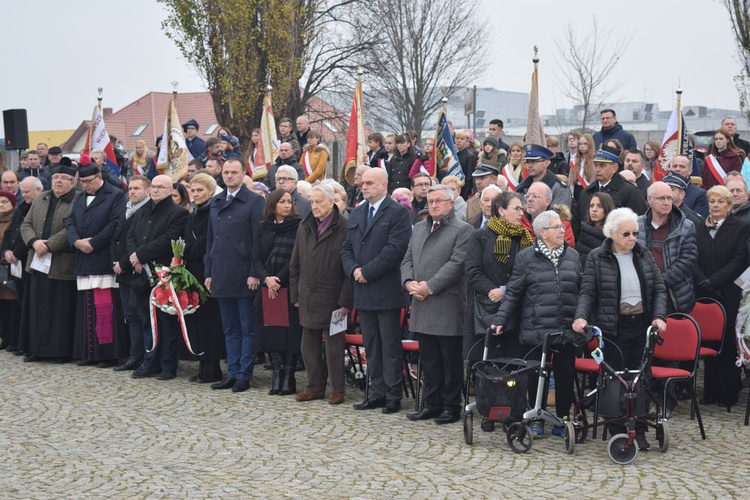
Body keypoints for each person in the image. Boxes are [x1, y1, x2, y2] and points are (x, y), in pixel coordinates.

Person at [573, 208, 667, 451]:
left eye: (635, 233)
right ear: (612, 233)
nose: (632, 238)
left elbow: (659, 289)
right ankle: (617, 429)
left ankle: (642, 428)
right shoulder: (597, 257)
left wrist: (658, 317)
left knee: (641, 378)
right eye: (626, 234)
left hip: (641, 325)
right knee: (615, 380)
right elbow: (588, 291)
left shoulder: (643, 255)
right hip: (613, 328)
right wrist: (581, 317)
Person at [491, 210, 582, 438]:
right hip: (535, 328)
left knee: (565, 375)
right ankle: (536, 418)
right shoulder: (526, 257)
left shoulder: (573, 256)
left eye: (562, 226)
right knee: (534, 375)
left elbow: (582, 291)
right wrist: (501, 319)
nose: (562, 230)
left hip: (565, 327)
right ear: (542, 233)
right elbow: (513, 292)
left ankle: (563, 419)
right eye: (556, 227)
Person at [342, 168, 412, 413]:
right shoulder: (358, 212)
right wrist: (353, 270)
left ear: (384, 185)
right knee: (371, 346)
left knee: (389, 346)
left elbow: (394, 250)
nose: (364, 186)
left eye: (370, 183)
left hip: (387, 290)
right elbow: (347, 248)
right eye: (363, 183)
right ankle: (376, 392)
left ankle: (393, 395)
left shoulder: (398, 213)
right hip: (362, 290)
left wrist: (366, 272)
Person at [401, 185, 473, 424]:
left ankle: (451, 406)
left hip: (447, 303)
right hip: (421, 302)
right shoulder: (419, 228)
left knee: (450, 360)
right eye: (430, 201)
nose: (433, 205)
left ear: (451, 204)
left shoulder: (463, 230)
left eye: (439, 201)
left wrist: (429, 286)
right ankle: (431, 404)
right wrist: (409, 283)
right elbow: (408, 258)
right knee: (429, 359)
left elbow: (457, 264)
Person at [205, 158, 265, 393]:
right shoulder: (216, 201)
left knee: (246, 327)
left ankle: (244, 374)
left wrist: (254, 273)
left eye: (234, 172)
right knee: (229, 328)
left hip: (243, 273)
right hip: (221, 273)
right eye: (226, 172)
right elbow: (212, 240)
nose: (229, 176)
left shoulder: (254, 201)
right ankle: (232, 371)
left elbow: (257, 240)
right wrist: (209, 272)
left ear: (243, 174)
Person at [290, 184, 353, 404]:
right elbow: (295, 264)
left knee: (334, 346)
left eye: (319, 202)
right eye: (312, 202)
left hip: (334, 296)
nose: (314, 206)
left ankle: (338, 389)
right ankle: (314, 387)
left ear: (331, 202)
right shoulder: (304, 226)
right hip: (308, 293)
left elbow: (349, 269)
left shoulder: (345, 227)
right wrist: (295, 295)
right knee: (308, 344)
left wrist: (345, 300)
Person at [693, 186, 749, 411]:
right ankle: (710, 391)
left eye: (720, 202)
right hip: (704, 291)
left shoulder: (740, 228)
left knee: (726, 341)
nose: (715, 205)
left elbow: (739, 260)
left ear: (729, 205)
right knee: (708, 340)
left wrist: (715, 281)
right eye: (712, 201)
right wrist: (703, 281)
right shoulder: (699, 227)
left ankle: (728, 392)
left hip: (728, 290)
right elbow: (692, 257)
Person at [126, 175, 188, 380]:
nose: (155, 190)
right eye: (153, 187)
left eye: (160, 187)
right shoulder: (142, 211)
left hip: (163, 274)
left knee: (166, 323)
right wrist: (134, 257)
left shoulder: (178, 213)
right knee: (146, 321)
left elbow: (168, 240)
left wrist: (140, 255)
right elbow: (131, 236)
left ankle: (168, 366)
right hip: (141, 273)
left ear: (170, 190)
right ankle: (149, 362)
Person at [67, 163, 127, 367]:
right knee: (86, 308)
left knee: (104, 309)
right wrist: (76, 241)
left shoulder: (115, 194)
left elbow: (115, 223)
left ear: (99, 176)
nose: (85, 186)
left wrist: (93, 243)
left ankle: (107, 354)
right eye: (81, 182)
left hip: (102, 257)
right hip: (83, 258)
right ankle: (89, 352)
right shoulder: (80, 197)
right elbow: (70, 222)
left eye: (88, 182)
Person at [20, 164, 79, 362]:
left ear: (73, 182)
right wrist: (34, 242)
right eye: (55, 177)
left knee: (59, 311)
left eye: (63, 178)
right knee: (37, 308)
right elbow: (26, 224)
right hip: (37, 261)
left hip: (61, 263)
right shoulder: (41, 198)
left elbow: (73, 226)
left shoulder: (78, 200)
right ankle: (37, 350)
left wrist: (49, 245)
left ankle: (58, 352)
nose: (58, 181)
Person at [465, 192, 532, 368]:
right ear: (501, 210)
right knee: (488, 366)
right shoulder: (480, 236)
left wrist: (506, 291)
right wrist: (492, 290)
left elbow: (529, 272)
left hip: (516, 310)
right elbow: (473, 271)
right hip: (486, 308)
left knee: (513, 367)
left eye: (522, 209)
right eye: (517, 208)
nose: (521, 213)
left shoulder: (525, 238)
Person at [253, 189, 302, 396]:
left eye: (289, 202)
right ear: (273, 205)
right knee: (271, 332)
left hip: (288, 286)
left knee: (289, 333)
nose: (287, 205)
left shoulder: (298, 227)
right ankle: (277, 373)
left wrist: (278, 279)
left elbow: (295, 258)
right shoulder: (263, 227)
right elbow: (256, 258)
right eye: (282, 202)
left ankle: (289, 377)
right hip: (268, 288)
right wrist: (267, 279)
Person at [182, 173, 226, 383]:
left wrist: (187, 249)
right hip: (193, 271)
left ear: (210, 191)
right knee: (198, 319)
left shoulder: (212, 212)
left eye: (200, 190)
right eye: (193, 190)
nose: (196, 194)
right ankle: (203, 364)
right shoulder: (193, 213)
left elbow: (205, 243)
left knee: (210, 321)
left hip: (207, 271)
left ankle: (212, 366)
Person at [637, 181, 697, 314]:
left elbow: (688, 261)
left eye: (669, 198)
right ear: (649, 200)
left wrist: (659, 282)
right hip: (643, 296)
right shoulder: (636, 225)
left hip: (674, 297)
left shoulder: (686, 226)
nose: (667, 202)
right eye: (661, 198)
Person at [111, 175, 151, 372]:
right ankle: (134, 355)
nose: (132, 192)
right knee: (130, 316)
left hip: (136, 270)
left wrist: (124, 263)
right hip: (121, 269)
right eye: (131, 188)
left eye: (137, 188)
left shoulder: (146, 210)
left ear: (147, 191)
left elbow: (137, 242)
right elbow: (117, 238)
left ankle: (145, 357)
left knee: (142, 316)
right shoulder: (126, 209)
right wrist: (115, 261)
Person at [1, 177, 43, 354]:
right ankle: (13, 339)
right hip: (13, 261)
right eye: (23, 191)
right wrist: (7, 251)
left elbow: (29, 234)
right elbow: (12, 232)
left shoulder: (37, 208)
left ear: (38, 191)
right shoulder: (22, 208)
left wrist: (15, 252)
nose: (23, 195)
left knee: (23, 303)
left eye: (27, 192)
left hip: (28, 261)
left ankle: (21, 341)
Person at [575, 145, 648, 236]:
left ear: (614, 168)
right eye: (596, 165)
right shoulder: (586, 192)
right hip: (586, 246)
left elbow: (640, 225)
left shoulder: (630, 191)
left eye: (602, 165)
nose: (597, 169)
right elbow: (577, 224)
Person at [515, 144, 572, 209]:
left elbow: (559, 216)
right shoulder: (522, 188)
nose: (529, 165)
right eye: (527, 162)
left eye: (534, 161)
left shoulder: (559, 189)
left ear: (546, 163)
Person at [521, 182, 575, 247]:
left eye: (535, 196)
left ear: (547, 201)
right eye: (527, 196)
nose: (529, 199)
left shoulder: (561, 224)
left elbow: (566, 250)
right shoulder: (519, 220)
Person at [0, 190, 19, 350]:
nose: (1, 205)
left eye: (5, 202)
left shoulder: (14, 218)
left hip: (8, 265)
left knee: (12, 304)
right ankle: (3, 338)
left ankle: (12, 338)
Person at [576, 192, 615, 265]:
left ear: (607, 209)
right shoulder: (584, 231)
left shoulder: (614, 235)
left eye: (599, 206)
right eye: (591, 206)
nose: (594, 209)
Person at [568, 133, 595, 199]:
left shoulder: (595, 162)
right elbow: (571, 181)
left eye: (585, 144)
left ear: (590, 145)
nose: (582, 146)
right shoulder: (574, 161)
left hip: (589, 192)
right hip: (576, 191)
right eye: (580, 144)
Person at [456, 130, 477, 199]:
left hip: (463, 192)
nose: (459, 141)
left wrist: (464, 196)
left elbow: (469, 178)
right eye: (457, 138)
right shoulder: (453, 154)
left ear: (467, 141)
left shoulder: (470, 156)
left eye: (462, 139)